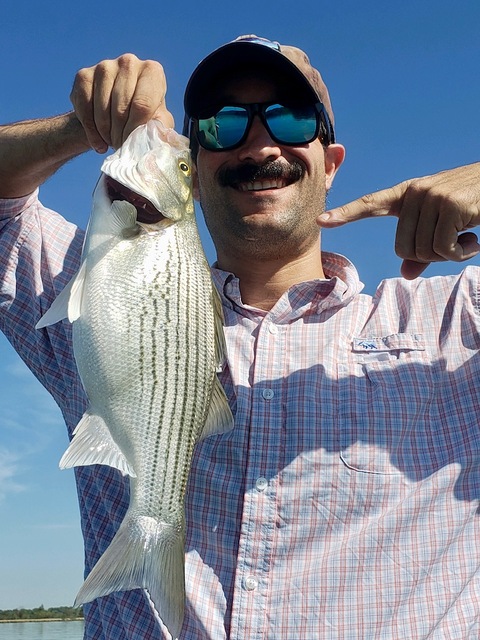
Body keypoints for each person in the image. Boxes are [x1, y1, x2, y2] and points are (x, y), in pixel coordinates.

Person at [1, 34, 480, 639]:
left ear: (330, 164)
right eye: (224, 126)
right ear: (196, 174)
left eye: (289, 117)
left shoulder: (457, 321)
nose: (259, 143)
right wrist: (79, 128)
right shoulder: (98, 292)